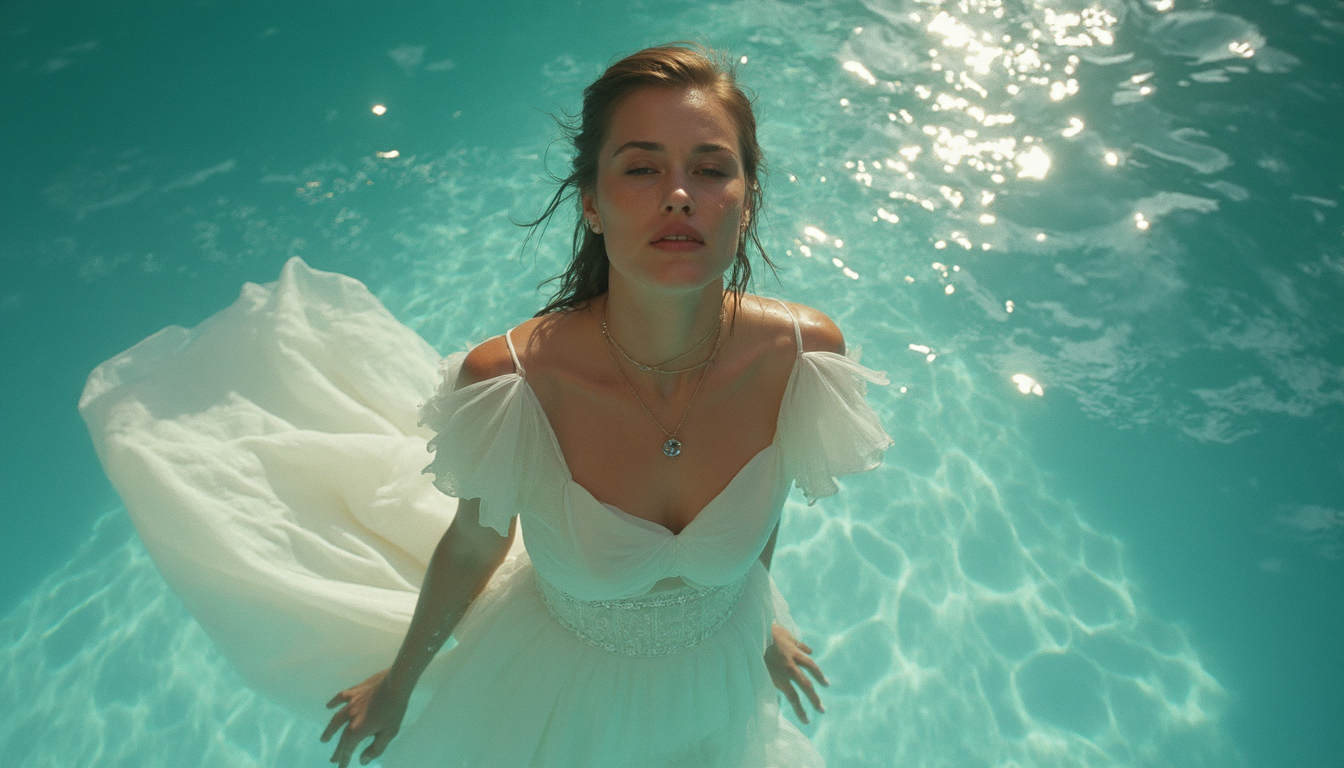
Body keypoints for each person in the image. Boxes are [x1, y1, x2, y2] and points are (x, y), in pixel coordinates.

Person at [79, 42, 890, 768]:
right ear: (592, 202)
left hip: (719, 666)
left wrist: (761, 624)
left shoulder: (803, 357)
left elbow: (770, 492)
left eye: (711, 168)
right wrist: (401, 683)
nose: (679, 195)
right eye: (641, 167)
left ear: (747, 197)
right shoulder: (513, 383)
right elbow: (474, 546)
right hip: (558, 693)